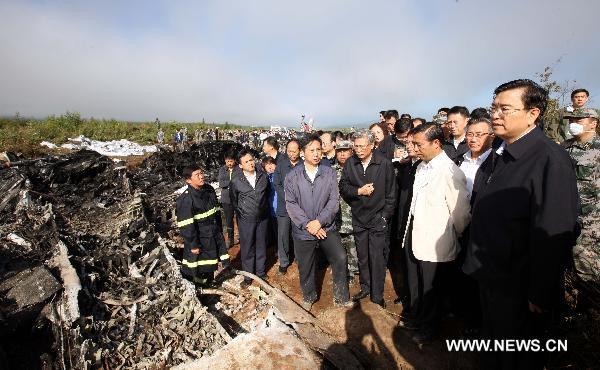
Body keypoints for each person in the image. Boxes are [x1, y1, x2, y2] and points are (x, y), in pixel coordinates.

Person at [463, 79, 579, 369]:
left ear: (532, 114)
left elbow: (554, 231)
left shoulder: (550, 161)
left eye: (505, 109)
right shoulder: (500, 153)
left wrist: (539, 291)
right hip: (489, 274)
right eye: (494, 108)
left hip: (519, 287)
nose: (496, 115)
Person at [399, 123, 470, 343]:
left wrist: (454, 238)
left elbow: (461, 215)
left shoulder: (450, 172)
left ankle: (428, 328)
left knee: (431, 288)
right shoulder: (422, 166)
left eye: (419, 144)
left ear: (436, 143)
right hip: (415, 235)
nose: (415, 148)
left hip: (436, 242)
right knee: (415, 282)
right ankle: (416, 316)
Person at [285, 135, 353, 310]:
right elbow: (291, 204)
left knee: (340, 257)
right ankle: (309, 296)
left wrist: (320, 222)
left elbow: (333, 201)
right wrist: (309, 224)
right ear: (302, 153)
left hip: (326, 227)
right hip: (304, 231)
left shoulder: (328, 172)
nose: (316, 154)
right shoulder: (292, 176)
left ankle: (341, 296)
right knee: (306, 266)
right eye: (311, 150)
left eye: (318, 150)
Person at [340, 129, 397, 308]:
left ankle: (377, 294)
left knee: (377, 258)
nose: (358, 150)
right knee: (363, 257)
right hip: (359, 218)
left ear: (372, 146)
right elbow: (343, 186)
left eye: (362, 146)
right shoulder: (350, 163)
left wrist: (384, 217)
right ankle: (365, 287)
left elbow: (391, 195)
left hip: (378, 219)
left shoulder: (384, 164)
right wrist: (359, 191)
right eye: (355, 146)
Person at [561, 108, 600, 284]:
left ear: (594, 123)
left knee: (588, 269)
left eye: (579, 120)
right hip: (565, 216)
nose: (574, 124)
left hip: (591, 220)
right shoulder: (563, 147)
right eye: (571, 120)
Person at [176, 165, 230, 286]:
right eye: (197, 175)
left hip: (213, 234)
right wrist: (193, 244)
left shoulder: (209, 190)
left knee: (211, 264)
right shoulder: (185, 199)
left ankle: (209, 284)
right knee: (200, 267)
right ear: (188, 180)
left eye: (201, 173)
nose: (201, 176)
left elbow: (216, 213)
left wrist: (220, 231)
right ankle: (201, 289)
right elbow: (186, 226)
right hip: (200, 239)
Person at [230, 149, 270, 287]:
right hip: (246, 219)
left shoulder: (262, 177)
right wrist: (241, 212)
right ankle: (248, 276)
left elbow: (267, 194)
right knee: (247, 247)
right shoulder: (236, 181)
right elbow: (233, 200)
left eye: (251, 160)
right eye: (246, 161)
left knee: (261, 245)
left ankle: (260, 272)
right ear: (240, 165)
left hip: (263, 218)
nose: (250, 163)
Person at [393, 131, 421, 308]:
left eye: (413, 143)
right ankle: (408, 296)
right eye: (407, 143)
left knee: (416, 266)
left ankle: (416, 304)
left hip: (417, 224)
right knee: (406, 262)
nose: (409, 146)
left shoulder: (425, 167)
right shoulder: (407, 166)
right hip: (404, 220)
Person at [273, 139, 303, 274]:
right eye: (289, 151)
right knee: (283, 234)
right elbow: (277, 184)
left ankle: (299, 258)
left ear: (300, 151)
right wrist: (286, 195)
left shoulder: (304, 165)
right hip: (284, 206)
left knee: (299, 233)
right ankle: (284, 262)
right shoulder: (281, 165)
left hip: (300, 207)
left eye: (294, 151)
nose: (291, 154)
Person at [333, 140, 359, 283]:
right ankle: (345, 270)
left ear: (351, 151)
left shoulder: (357, 169)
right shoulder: (330, 171)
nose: (342, 154)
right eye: (339, 151)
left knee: (353, 245)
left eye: (345, 151)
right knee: (340, 244)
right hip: (337, 215)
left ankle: (354, 270)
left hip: (354, 214)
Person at [459, 118, 494, 198]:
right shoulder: (459, 160)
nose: (473, 139)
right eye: (470, 134)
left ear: (491, 136)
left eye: (479, 135)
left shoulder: (496, 162)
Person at [218, 151, 241, 248]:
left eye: (231, 161)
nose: (229, 163)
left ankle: (241, 236)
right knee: (228, 220)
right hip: (226, 199)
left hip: (238, 198)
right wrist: (232, 182)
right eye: (228, 161)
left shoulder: (239, 169)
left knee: (240, 218)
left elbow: (240, 181)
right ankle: (230, 239)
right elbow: (221, 183)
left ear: (234, 161)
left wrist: (229, 183)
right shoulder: (222, 170)